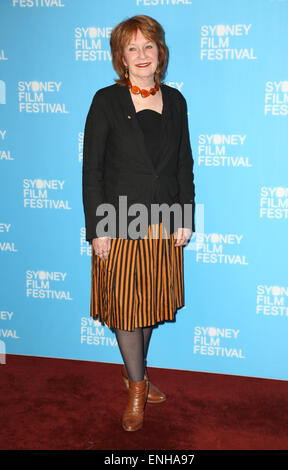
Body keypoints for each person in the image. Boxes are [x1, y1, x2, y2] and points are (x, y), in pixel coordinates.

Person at [82, 14, 195, 432]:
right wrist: (98, 229)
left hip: (163, 220)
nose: (142, 54)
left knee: (147, 306)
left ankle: (136, 376)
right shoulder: (105, 101)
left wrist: (185, 214)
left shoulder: (177, 101)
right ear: (121, 57)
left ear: (159, 52)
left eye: (149, 46)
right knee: (127, 309)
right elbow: (91, 170)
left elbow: (184, 162)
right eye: (133, 48)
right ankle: (137, 387)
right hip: (119, 218)